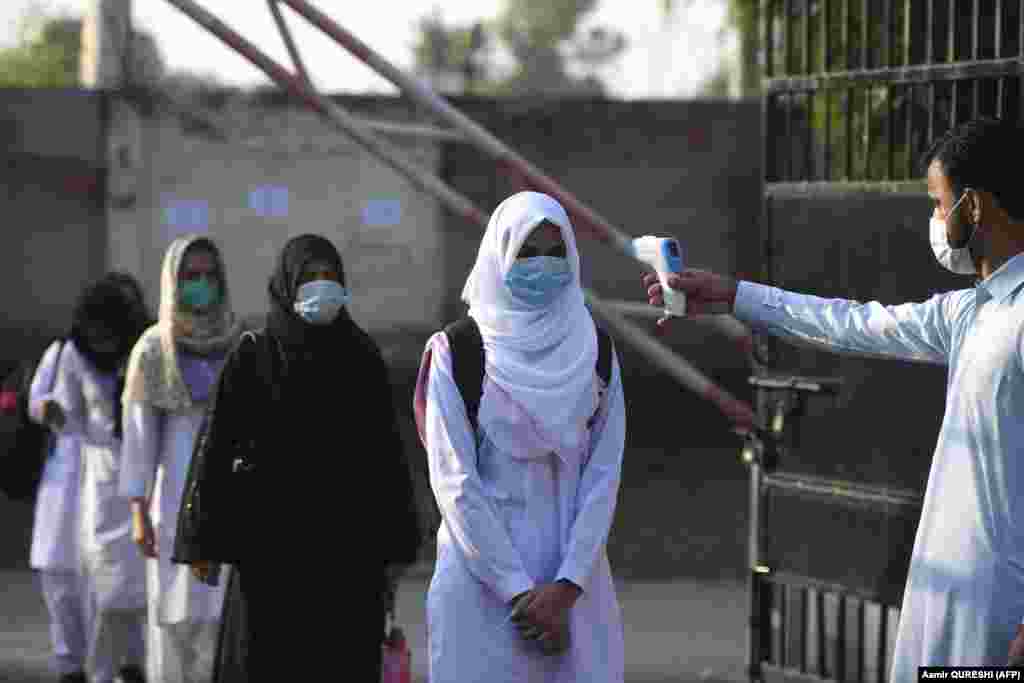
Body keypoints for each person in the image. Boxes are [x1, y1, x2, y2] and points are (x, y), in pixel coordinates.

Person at [644, 118, 1024, 677]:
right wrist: (734, 296)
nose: (936, 223)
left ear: (973, 206)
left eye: (939, 204)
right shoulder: (971, 312)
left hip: (1004, 610)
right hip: (951, 592)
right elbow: (850, 323)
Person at [172, 233, 422, 681]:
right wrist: (199, 539)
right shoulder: (253, 356)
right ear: (287, 284)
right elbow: (215, 446)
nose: (321, 286)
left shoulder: (361, 356)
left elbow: (388, 459)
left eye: (330, 277)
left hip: (348, 561)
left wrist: (397, 550)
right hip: (269, 556)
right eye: (310, 277)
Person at [413, 191, 626, 682]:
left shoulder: (596, 352)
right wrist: (519, 592)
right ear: (499, 256)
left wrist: (567, 587)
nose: (543, 265)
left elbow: (604, 475)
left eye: (555, 252)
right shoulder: (456, 352)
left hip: (576, 591)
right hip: (482, 593)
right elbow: (454, 481)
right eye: (527, 253)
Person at [119, 236, 241, 683]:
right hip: (170, 505)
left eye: (210, 275)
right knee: (170, 620)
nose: (202, 284)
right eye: (191, 276)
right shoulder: (154, 351)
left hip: (228, 505)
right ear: (173, 282)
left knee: (220, 622)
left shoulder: (238, 345)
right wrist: (137, 510)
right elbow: (138, 438)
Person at [41, 277, 150, 683]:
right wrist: (52, 413)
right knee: (103, 587)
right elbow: (67, 414)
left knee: (143, 590)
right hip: (99, 481)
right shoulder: (72, 354)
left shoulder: (145, 349)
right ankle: (99, 671)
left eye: (109, 332)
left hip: (141, 472)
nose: (101, 341)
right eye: (95, 332)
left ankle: (135, 667)